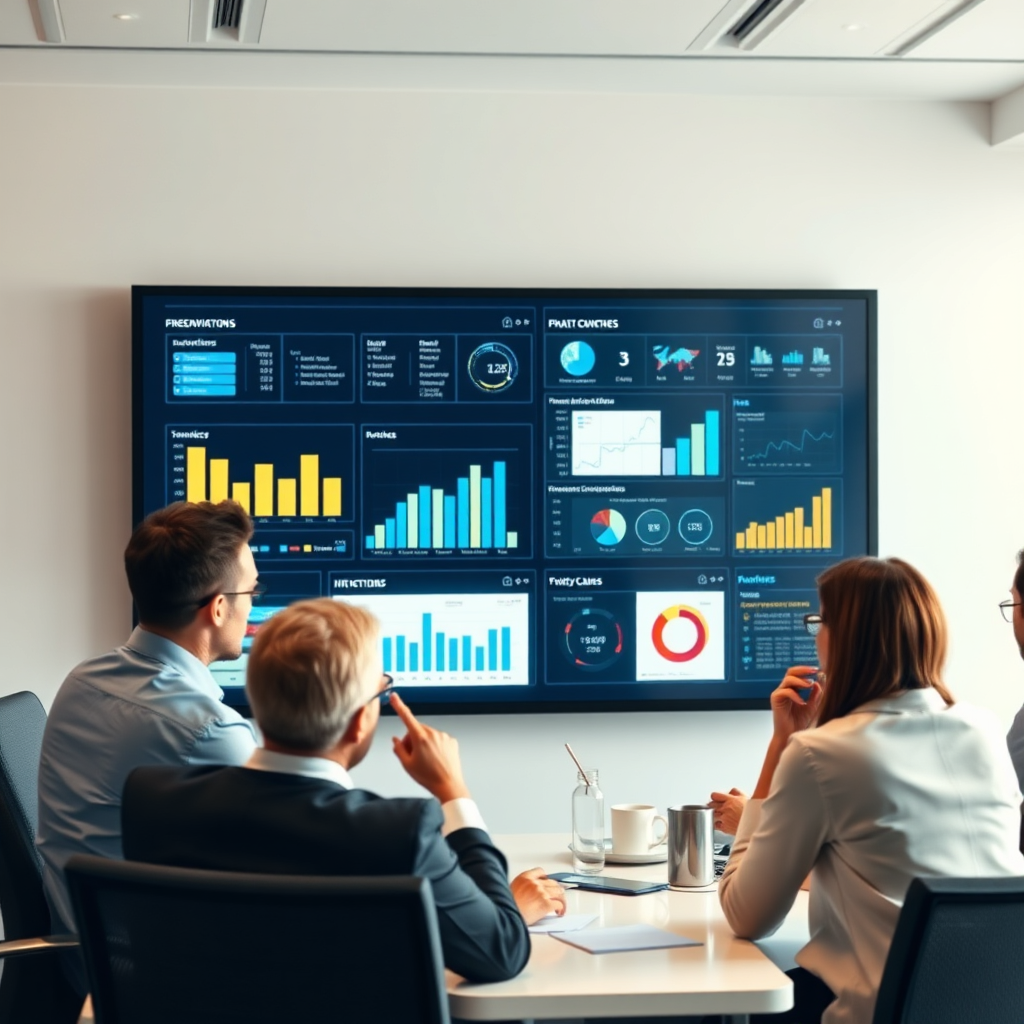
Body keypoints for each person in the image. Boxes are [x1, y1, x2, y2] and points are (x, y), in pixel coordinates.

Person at [121, 598, 566, 983]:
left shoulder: (152, 799)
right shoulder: (400, 834)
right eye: (381, 690)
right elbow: (500, 952)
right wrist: (454, 792)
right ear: (359, 722)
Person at [718, 556, 1024, 1024]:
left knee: (722, 1009)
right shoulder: (982, 729)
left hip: (881, 1013)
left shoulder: (820, 754)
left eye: (820, 621)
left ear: (846, 639)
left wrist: (781, 743)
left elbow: (747, 916)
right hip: (998, 1006)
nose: (816, 636)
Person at [37, 500, 261, 990]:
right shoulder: (210, 731)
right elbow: (291, 856)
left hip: (84, 959)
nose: (253, 605)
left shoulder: (81, 681)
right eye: (251, 591)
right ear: (217, 608)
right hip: (155, 980)